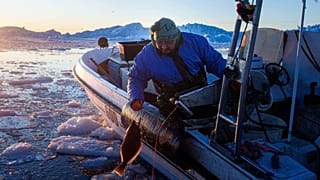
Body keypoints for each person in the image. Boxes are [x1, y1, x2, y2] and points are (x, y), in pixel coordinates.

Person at [127, 17, 227, 116]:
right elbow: (136, 77)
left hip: (200, 95)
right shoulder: (146, 55)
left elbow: (215, 61)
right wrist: (136, 97)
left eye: (169, 42)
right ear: (154, 39)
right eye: (160, 42)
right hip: (170, 101)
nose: (164, 47)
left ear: (177, 37)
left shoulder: (196, 42)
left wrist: (229, 77)